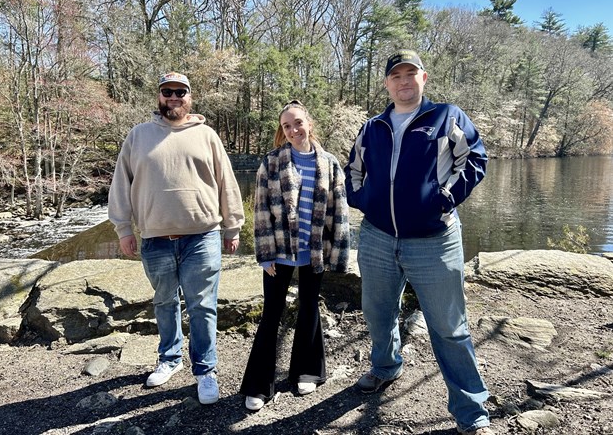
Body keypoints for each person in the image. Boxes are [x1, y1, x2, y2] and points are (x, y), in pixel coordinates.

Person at [344, 50, 493, 435]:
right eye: (396, 75)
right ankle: (385, 367)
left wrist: (443, 198)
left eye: (411, 74)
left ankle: (471, 412)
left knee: (448, 327)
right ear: (387, 83)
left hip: (434, 239)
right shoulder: (372, 125)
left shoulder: (447, 116)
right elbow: (353, 169)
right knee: (377, 312)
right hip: (377, 237)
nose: (404, 81)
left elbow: (475, 159)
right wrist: (362, 200)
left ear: (423, 78)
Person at [108, 71, 244, 405]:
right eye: (167, 92)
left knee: (202, 306)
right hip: (155, 238)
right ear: (159, 97)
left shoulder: (207, 135)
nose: (173, 97)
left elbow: (227, 182)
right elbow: (120, 187)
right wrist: (124, 229)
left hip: (202, 237)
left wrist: (233, 226)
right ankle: (169, 359)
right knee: (164, 302)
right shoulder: (138, 136)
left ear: (189, 97)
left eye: (180, 92)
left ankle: (205, 370)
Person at [240, 99, 350, 411]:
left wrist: (336, 253)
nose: (293, 130)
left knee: (308, 308)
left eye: (298, 123)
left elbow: (338, 212)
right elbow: (261, 210)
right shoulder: (272, 162)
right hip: (279, 252)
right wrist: (264, 254)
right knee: (271, 314)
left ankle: (307, 371)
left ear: (309, 123)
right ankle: (260, 386)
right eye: (286, 126)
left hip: (313, 251)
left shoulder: (329, 163)